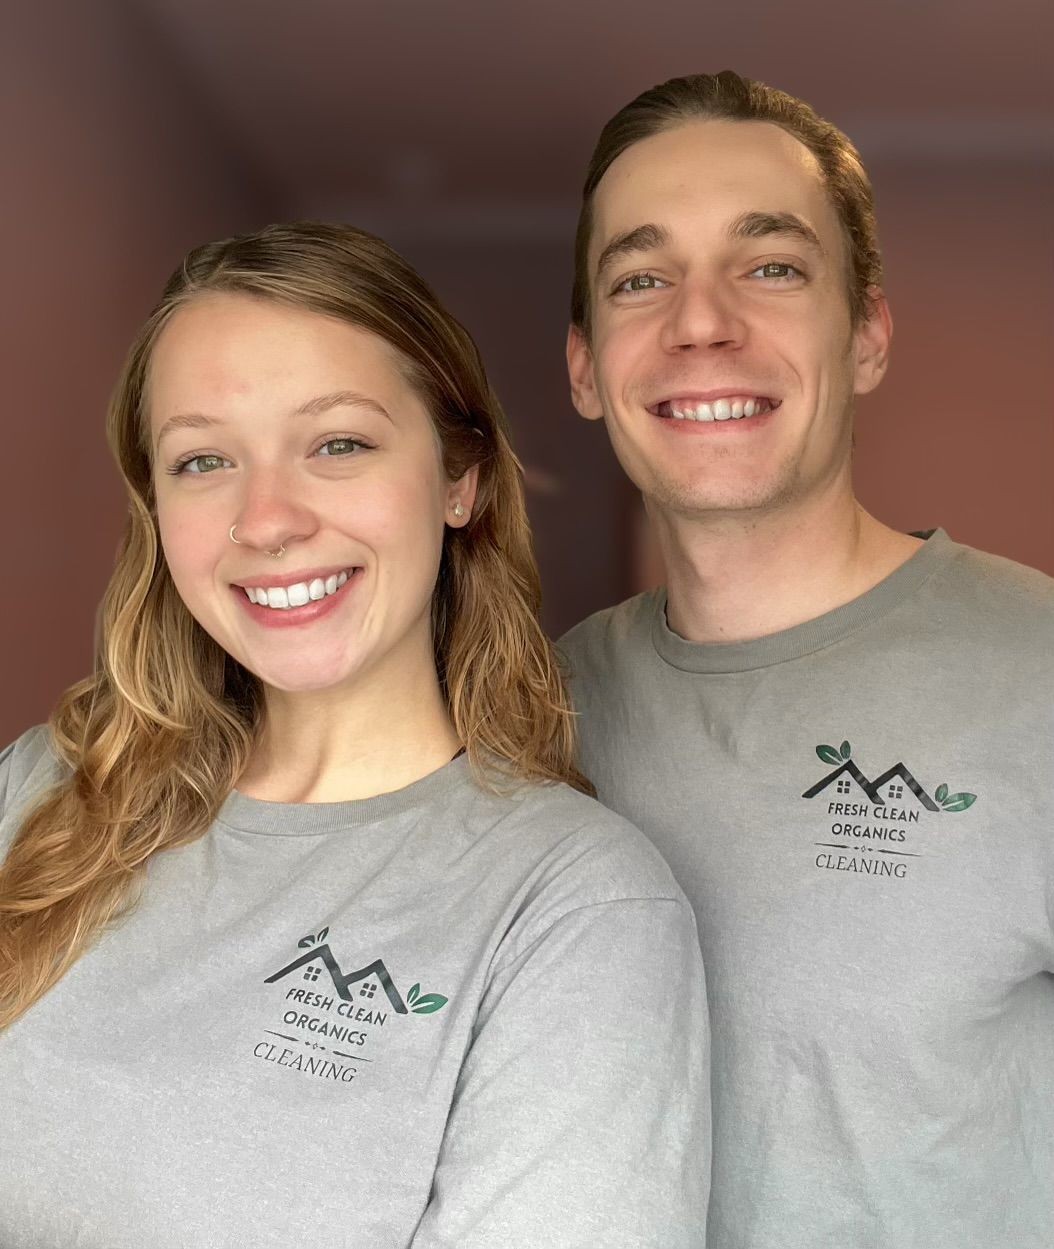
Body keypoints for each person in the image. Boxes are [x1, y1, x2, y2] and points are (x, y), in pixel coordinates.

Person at [0, 222, 710, 1248]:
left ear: (459, 478)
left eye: (338, 442)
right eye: (203, 459)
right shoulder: (43, 790)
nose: (269, 518)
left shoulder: (574, 909)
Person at [559, 71, 1053, 1248]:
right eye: (641, 277)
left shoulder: (1037, 671)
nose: (700, 320)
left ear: (867, 334)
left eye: (770, 265)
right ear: (584, 370)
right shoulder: (527, 710)